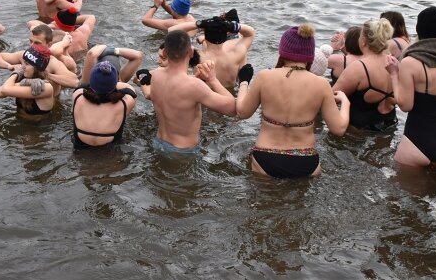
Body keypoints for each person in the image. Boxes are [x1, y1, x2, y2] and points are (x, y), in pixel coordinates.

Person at [237, 24, 351, 178]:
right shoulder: (321, 84)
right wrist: (345, 102)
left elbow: (242, 112)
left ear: (282, 50)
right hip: (307, 161)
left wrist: (244, 82)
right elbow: (338, 129)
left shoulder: (265, 76)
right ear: (310, 54)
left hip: (266, 157)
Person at [385, 6, 436, 167]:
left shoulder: (410, 63)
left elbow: (406, 106)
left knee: (398, 192)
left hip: (417, 139)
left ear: (418, 30)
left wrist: (394, 74)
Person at [148, 30, 240, 153]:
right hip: (182, 151)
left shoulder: (155, 75)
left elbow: (177, 85)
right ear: (191, 53)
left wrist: (196, 78)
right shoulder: (194, 86)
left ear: (165, 52)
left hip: (158, 142)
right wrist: (213, 80)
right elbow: (232, 109)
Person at [333, 18, 397, 132]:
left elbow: (331, 98)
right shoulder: (395, 63)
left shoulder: (359, 68)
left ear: (363, 41)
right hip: (390, 125)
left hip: (359, 131)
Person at [170, 11, 256, 88]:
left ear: (205, 35)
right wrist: (231, 25)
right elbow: (251, 32)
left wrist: (198, 23)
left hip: (207, 100)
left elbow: (171, 31)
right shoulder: (237, 52)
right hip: (229, 96)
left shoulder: (196, 56)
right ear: (226, 34)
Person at [0, 24, 79, 90]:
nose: (32, 46)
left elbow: (74, 82)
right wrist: (9, 66)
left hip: (45, 109)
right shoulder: (25, 55)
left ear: (49, 44)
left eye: (37, 43)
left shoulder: (53, 62)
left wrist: (47, 75)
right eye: (30, 41)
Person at [72, 62, 137, 148]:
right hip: (110, 154)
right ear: (114, 84)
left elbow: (83, 86)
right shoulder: (125, 103)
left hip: (79, 153)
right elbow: (129, 89)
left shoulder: (78, 96)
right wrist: (112, 84)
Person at [0, 45, 56, 121]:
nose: (23, 67)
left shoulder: (45, 87)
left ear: (37, 68)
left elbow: (5, 90)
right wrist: (22, 79)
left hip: (38, 129)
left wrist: (15, 74)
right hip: (19, 121)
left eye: (27, 64)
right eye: (23, 62)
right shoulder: (25, 78)